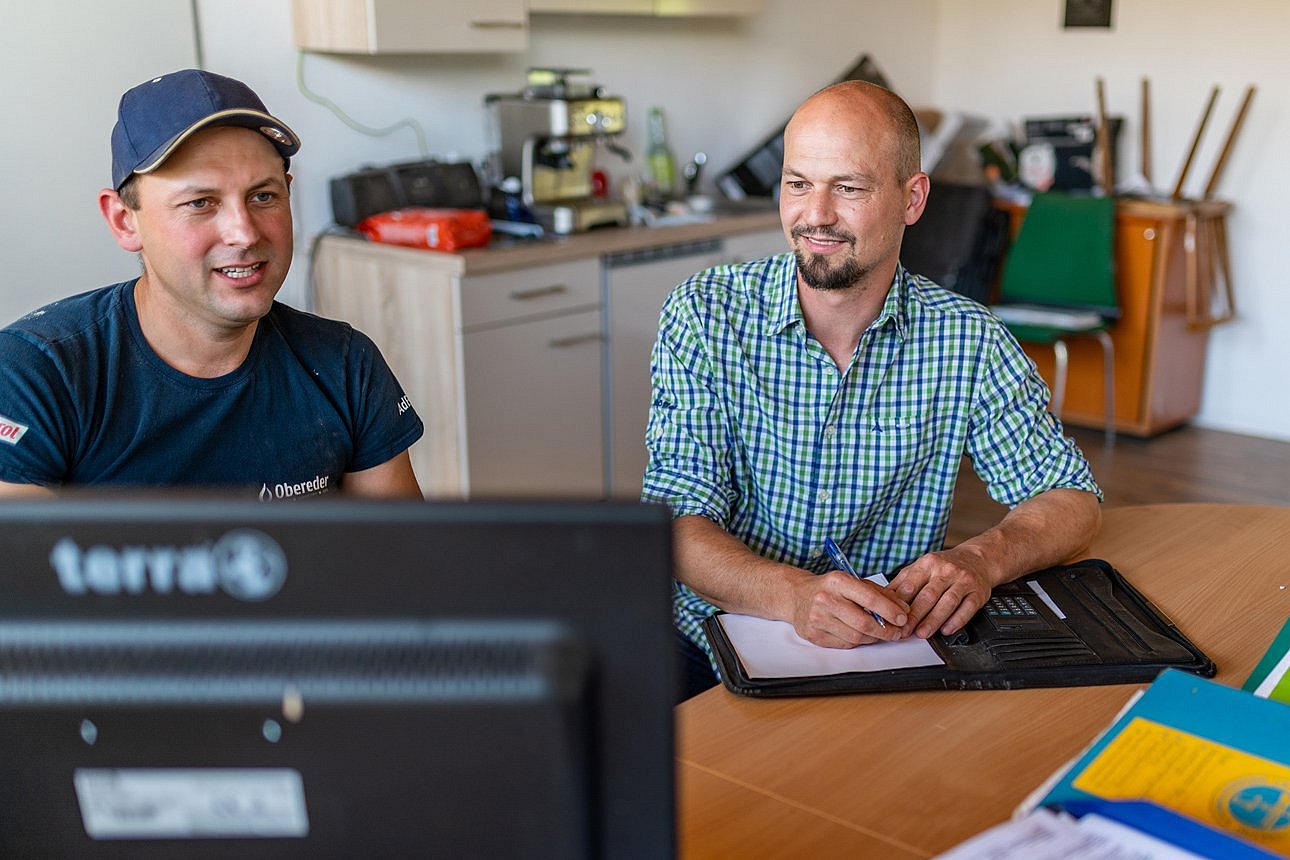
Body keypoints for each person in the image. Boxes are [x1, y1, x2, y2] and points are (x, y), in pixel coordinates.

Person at [642, 81, 1102, 701]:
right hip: (705, 643)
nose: (815, 215)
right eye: (797, 183)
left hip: (882, 650)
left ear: (912, 199)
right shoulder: (705, 314)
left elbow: (1070, 497)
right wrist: (794, 597)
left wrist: (982, 560)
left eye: (848, 188)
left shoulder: (966, 339)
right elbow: (675, 519)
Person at [0, 69, 423, 499]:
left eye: (263, 196)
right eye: (200, 202)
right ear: (125, 221)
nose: (244, 233)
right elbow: (20, 563)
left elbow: (408, 559)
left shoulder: (345, 365)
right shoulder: (35, 373)